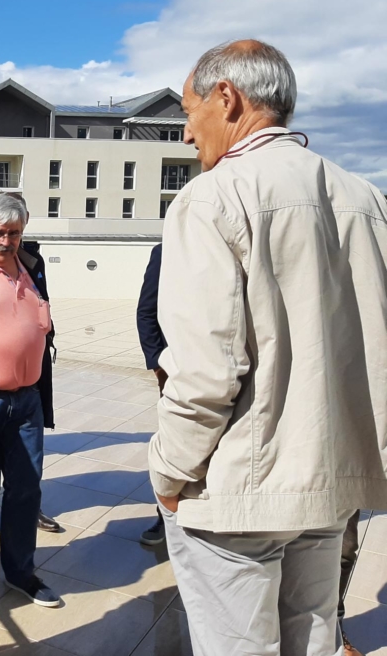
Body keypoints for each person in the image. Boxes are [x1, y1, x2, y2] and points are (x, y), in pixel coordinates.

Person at [150, 39, 387, 656]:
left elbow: (205, 370)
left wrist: (170, 470)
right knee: (312, 641)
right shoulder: (365, 197)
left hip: (238, 494)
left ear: (226, 98)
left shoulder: (210, 198)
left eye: (187, 110)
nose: (184, 133)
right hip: (329, 486)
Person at [0, 194, 60, 607]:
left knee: (25, 489)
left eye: (14, 232)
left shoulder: (31, 267)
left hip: (27, 401)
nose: (6, 240)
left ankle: (20, 570)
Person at [135, 243, 167, 547]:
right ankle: (167, 517)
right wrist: (157, 362)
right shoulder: (166, 250)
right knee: (173, 446)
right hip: (178, 371)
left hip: (236, 368)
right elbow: (146, 310)